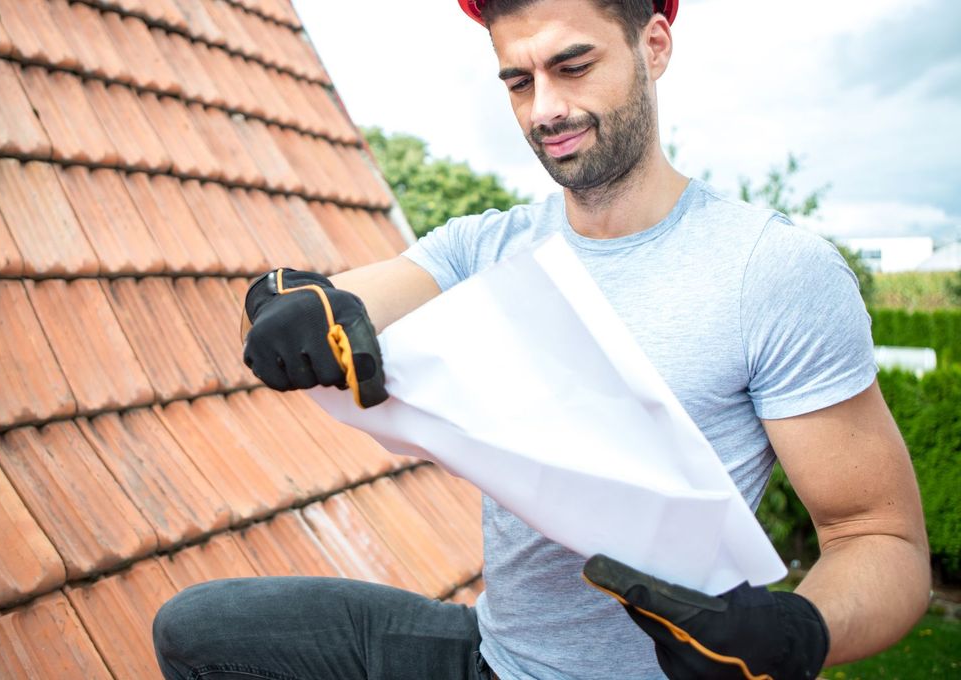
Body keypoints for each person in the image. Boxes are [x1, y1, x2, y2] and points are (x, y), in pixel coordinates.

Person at [153, 0, 931, 677]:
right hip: (494, 656)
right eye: (519, 82)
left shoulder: (771, 270)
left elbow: (881, 537)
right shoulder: (484, 248)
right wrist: (284, 302)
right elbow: (352, 299)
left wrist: (799, 632)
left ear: (654, 47)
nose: (543, 110)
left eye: (573, 65)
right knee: (200, 632)